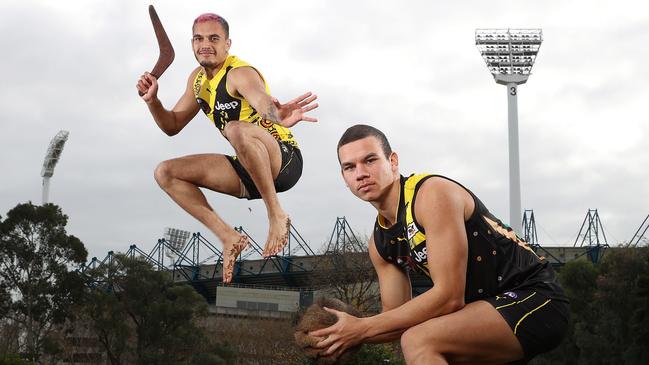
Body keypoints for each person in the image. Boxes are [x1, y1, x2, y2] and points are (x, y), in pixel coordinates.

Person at [311, 124, 569, 364]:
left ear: (393, 161)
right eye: (350, 167)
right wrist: (338, 332)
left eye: (370, 160)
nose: (361, 174)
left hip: (535, 297)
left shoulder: (431, 194)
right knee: (413, 336)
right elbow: (395, 319)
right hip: (480, 312)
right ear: (344, 177)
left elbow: (449, 297)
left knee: (419, 339)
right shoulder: (380, 244)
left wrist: (362, 329)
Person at [136, 13, 318, 283]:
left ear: (227, 44)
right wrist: (153, 101)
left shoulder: (239, 73)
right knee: (165, 172)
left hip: (282, 159)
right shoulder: (197, 80)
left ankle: (276, 213)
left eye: (213, 38)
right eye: (199, 39)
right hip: (248, 166)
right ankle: (228, 237)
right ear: (192, 43)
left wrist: (277, 114)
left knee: (235, 128)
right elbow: (172, 125)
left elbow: (260, 99)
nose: (205, 44)